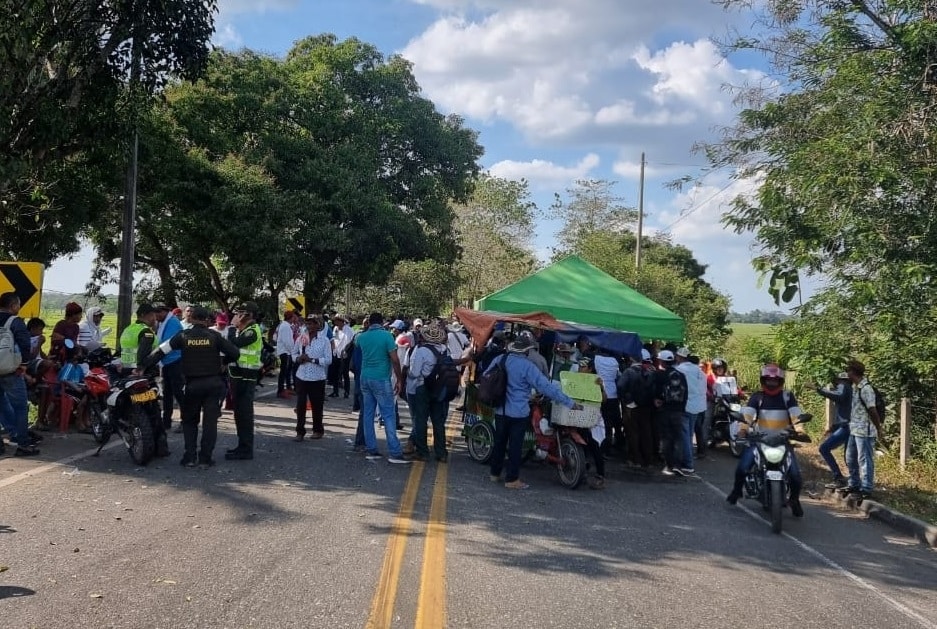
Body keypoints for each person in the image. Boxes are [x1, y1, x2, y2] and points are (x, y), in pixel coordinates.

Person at [138, 306, 239, 468]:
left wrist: (142, 365)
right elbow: (235, 353)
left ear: (191, 319)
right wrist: (223, 362)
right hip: (213, 384)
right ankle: (205, 459)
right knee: (210, 423)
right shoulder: (215, 336)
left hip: (192, 385)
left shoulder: (183, 336)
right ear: (207, 320)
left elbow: (161, 351)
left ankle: (190, 457)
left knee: (190, 421)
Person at [486, 333, 581, 489]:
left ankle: (494, 474)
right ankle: (511, 480)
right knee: (516, 446)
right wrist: (569, 402)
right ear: (527, 350)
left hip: (500, 409)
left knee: (500, 442)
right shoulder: (527, 367)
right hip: (519, 412)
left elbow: (486, 374)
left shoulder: (501, 359)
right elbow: (547, 387)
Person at [726, 363, 807, 517]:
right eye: (769, 381)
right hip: (760, 440)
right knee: (742, 468)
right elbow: (748, 414)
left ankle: (795, 500)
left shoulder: (787, 396)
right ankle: (736, 492)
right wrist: (743, 429)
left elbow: (796, 414)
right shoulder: (757, 397)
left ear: (780, 382)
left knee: (796, 475)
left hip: (783, 440)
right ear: (763, 381)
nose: (771, 383)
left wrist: (799, 429)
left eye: (775, 381)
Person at [357, 312, 410, 464]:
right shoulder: (387, 336)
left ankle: (371, 449)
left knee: (368, 414)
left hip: (365, 378)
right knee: (388, 414)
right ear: (381, 322)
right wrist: (400, 380)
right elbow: (394, 360)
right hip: (381, 378)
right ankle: (394, 452)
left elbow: (357, 347)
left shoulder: (362, 337)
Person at [404, 322, 451, 462]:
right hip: (439, 387)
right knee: (438, 421)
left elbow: (415, 372)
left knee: (421, 420)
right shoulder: (445, 350)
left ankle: (422, 452)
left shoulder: (422, 351)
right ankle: (441, 452)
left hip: (423, 387)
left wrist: (407, 372)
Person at [0, 292, 39, 457]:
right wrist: (23, 365)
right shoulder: (15, 322)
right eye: (18, 304)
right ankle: (23, 444)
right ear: (13, 305)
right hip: (10, 370)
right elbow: (24, 343)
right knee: (21, 407)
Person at [226, 301, 264, 460]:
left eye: (239, 313)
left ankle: (246, 450)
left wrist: (232, 327)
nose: (236, 316)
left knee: (245, 415)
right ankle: (241, 446)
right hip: (238, 376)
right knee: (239, 414)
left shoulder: (253, 330)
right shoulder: (246, 330)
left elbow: (233, 344)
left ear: (247, 315)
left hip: (246, 378)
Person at [844, 360, 882, 499]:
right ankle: (854, 483)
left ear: (853, 372)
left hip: (864, 431)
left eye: (848, 370)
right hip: (854, 428)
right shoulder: (855, 387)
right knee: (850, 457)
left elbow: (872, 410)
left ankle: (866, 488)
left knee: (864, 459)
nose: (847, 373)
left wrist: (879, 428)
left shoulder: (866, 389)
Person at [292, 314, 332, 441]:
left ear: (318, 325)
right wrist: (298, 358)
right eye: (307, 324)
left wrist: (313, 360)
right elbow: (293, 353)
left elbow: (328, 360)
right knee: (300, 404)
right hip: (301, 375)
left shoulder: (324, 340)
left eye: (312, 323)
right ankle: (300, 431)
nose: (309, 326)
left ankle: (317, 430)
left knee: (317, 405)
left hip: (317, 377)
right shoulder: (301, 338)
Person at [617, 348, 657, 469]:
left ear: (632, 358)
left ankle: (635, 460)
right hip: (647, 407)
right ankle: (648, 460)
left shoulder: (629, 372)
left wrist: (626, 399)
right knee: (646, 433)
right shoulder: (651, 372)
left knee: (633, 433)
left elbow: (620, 386)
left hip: (631, 407)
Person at [653, 350, 688, 476]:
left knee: (666, 438)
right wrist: (682, 408)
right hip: (678, 411)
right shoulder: (681, 375)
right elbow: (686, 394)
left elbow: (655, 393)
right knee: (678, 438)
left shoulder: (660, 375)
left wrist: (658, 402)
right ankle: (678, 465)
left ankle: (669, 465)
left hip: (664, 411)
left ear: (661, 361)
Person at [815, 372, 852, 489]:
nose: (837, 384)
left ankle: (839, 478)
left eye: (838, 381)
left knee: (824, 448)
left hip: (847, 427)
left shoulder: (844, 386)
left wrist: (819, 389)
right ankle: (852, 481)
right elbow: (844, 411)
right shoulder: (850, 389)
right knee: (849, 456)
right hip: (846, 425)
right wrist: (833, 428)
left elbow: (838, 395)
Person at [575, 356, 607, 489]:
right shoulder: (574, 379)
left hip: (593, 418)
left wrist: (600, 388)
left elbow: (605, 399)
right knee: (581, 444)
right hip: (578, 416)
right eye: (580, 366)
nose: (580, 369)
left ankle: (600, 475)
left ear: (590, 368)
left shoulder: (597, 380)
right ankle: (582, 471)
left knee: (595, 446)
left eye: (583, 366)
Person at [153, 303, 185, 432]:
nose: (155, 317)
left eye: (157, 314)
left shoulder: (172, 323)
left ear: (163, 312)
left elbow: (166, 344)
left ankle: (185, 421)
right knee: (167, 394)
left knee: (178, 393)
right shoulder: (164, 322)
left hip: (176, 362)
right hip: (167, 363)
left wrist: (152, 358)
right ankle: (166, 421)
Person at [675, 347, 707, 470]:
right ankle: (687, 460)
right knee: (688, 434)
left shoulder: (679, 370)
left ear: (679, 357)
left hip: (685, 406)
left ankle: (687, 463)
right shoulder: (700, 372)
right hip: (698, 407)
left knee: (684, 435)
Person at [593, 348, 622, 456]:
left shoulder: (596, 359)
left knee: (604, 422)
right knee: (615, 421)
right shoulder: (615, 361)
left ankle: (605, 447)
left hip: (602, 393)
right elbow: (617, 376)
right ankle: (617, 444)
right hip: (613, 394)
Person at [330, 314, 355, 398]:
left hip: (345, 354)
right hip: (336, 353)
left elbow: (351, 341)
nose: (335, 322)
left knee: (345, 373)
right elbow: (334, 339)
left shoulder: (349, 330)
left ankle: (346, 392)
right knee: (335, 373)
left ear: (341, 321)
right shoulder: (335, 329)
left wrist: (345, 350)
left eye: (337, 321)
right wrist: (333, 348)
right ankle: (335, 391)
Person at [275, 310, 296, 399]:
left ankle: (283, 389)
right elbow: (287, 341)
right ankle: (280, 391)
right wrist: (292, 351)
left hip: (285, 351)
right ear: (290, 318)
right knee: (283, 372)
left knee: (285, 371)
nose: (294, 318)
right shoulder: (286, 327)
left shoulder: (285, 325)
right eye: (293, 317)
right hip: (285, 351)